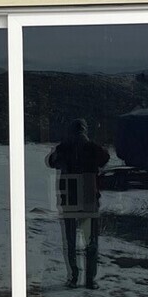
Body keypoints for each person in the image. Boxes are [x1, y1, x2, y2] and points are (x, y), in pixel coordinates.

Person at [46, 118, 110, 288]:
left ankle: (74, 277)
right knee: (91, 241)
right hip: (89, 199)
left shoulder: (63, 147)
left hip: (70, 200)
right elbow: (105, 158)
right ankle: (90, 279)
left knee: (70, 241)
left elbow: (51, 162)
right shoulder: (92, 148)